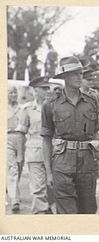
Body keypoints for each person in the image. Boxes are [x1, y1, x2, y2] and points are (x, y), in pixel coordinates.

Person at [41, 56, 99, 214]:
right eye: (74, 73)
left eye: (80, 73)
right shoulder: (50, 104)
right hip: (62, 164)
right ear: (64, 77)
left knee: (88, 211)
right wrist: (48, 172)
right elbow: (46, 139)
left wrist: (98, 159)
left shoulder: (92, 101)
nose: (79, 77)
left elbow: (96, 133)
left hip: (87, 164)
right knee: (67, 213)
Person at [16, 76, 53, 214]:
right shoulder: (27, 109)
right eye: (44, 88)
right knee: (38, 188)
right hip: (35, 152)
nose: (47, 91)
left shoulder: (53, 107)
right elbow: (21, 132)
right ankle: (40, 215)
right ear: (35, 90)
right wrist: (20, 154)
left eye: (48, 88)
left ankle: (48, 208)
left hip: (53, 151)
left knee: (53, 185)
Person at [7, 86, 24, 213]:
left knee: (19, 166)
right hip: (7, 138)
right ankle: (15, 200)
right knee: (12, 168)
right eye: (10, 92)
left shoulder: (22, 108)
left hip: (21, 138)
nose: (13, 94)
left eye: (15, 92)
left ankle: (10, 188)